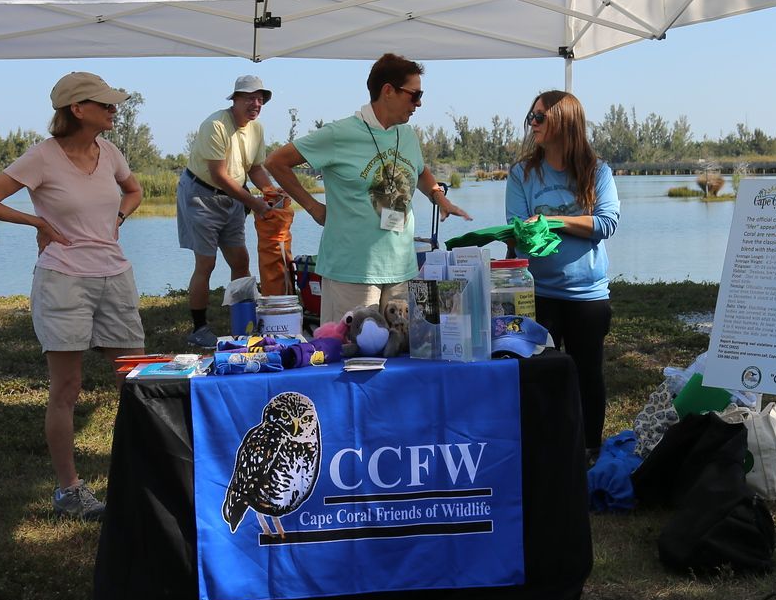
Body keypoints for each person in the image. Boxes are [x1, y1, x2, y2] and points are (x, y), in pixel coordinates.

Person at [0, 71, 145, 521]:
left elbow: (134, 189)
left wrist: (118, 219)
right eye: (105, 103)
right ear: (77, 109)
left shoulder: (110, 153)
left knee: (138, 382)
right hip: (63, 279)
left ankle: (144, 476)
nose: (114, 109)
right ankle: (69, 490)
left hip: (115, 275)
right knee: (66, 387)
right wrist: (39, 225)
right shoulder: (42, 157)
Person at [267, 53, 468, 324]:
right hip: (352, 274)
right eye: (415, 95)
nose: (419, 103)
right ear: (388, 91)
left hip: (402, 270)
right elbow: (276, 162)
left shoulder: (407, 134)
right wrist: (313, 208)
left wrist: (438, 196)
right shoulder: (339, 134)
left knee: (404, 350)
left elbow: (419, 171)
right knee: (356, 357)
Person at [504, 91, 619, 460]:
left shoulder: (597, 171)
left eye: (539, 117)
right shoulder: (522, 173)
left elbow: (606, 223)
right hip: (539, 293)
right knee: (540, 372)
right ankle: (548, 450)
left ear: (564, 122)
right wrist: (526, 234)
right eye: (531, 116)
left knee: (588, 373)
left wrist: (553, 221)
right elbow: (517, 229)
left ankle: (589, 449)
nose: (532, 124)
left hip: (588, 295)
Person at [177, 75, 283, 348]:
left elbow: (255, 168)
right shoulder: (215, 125)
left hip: (233, 198)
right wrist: (254, 202)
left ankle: (243, 324)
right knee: (206, 263)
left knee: (240, 260)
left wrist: (271, 193)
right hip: (202, 195)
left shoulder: (256, 129)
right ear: (234, 100)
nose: (255, 104)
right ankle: (199, 329)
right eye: (249, 98)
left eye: (260, 99)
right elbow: (219, 175)